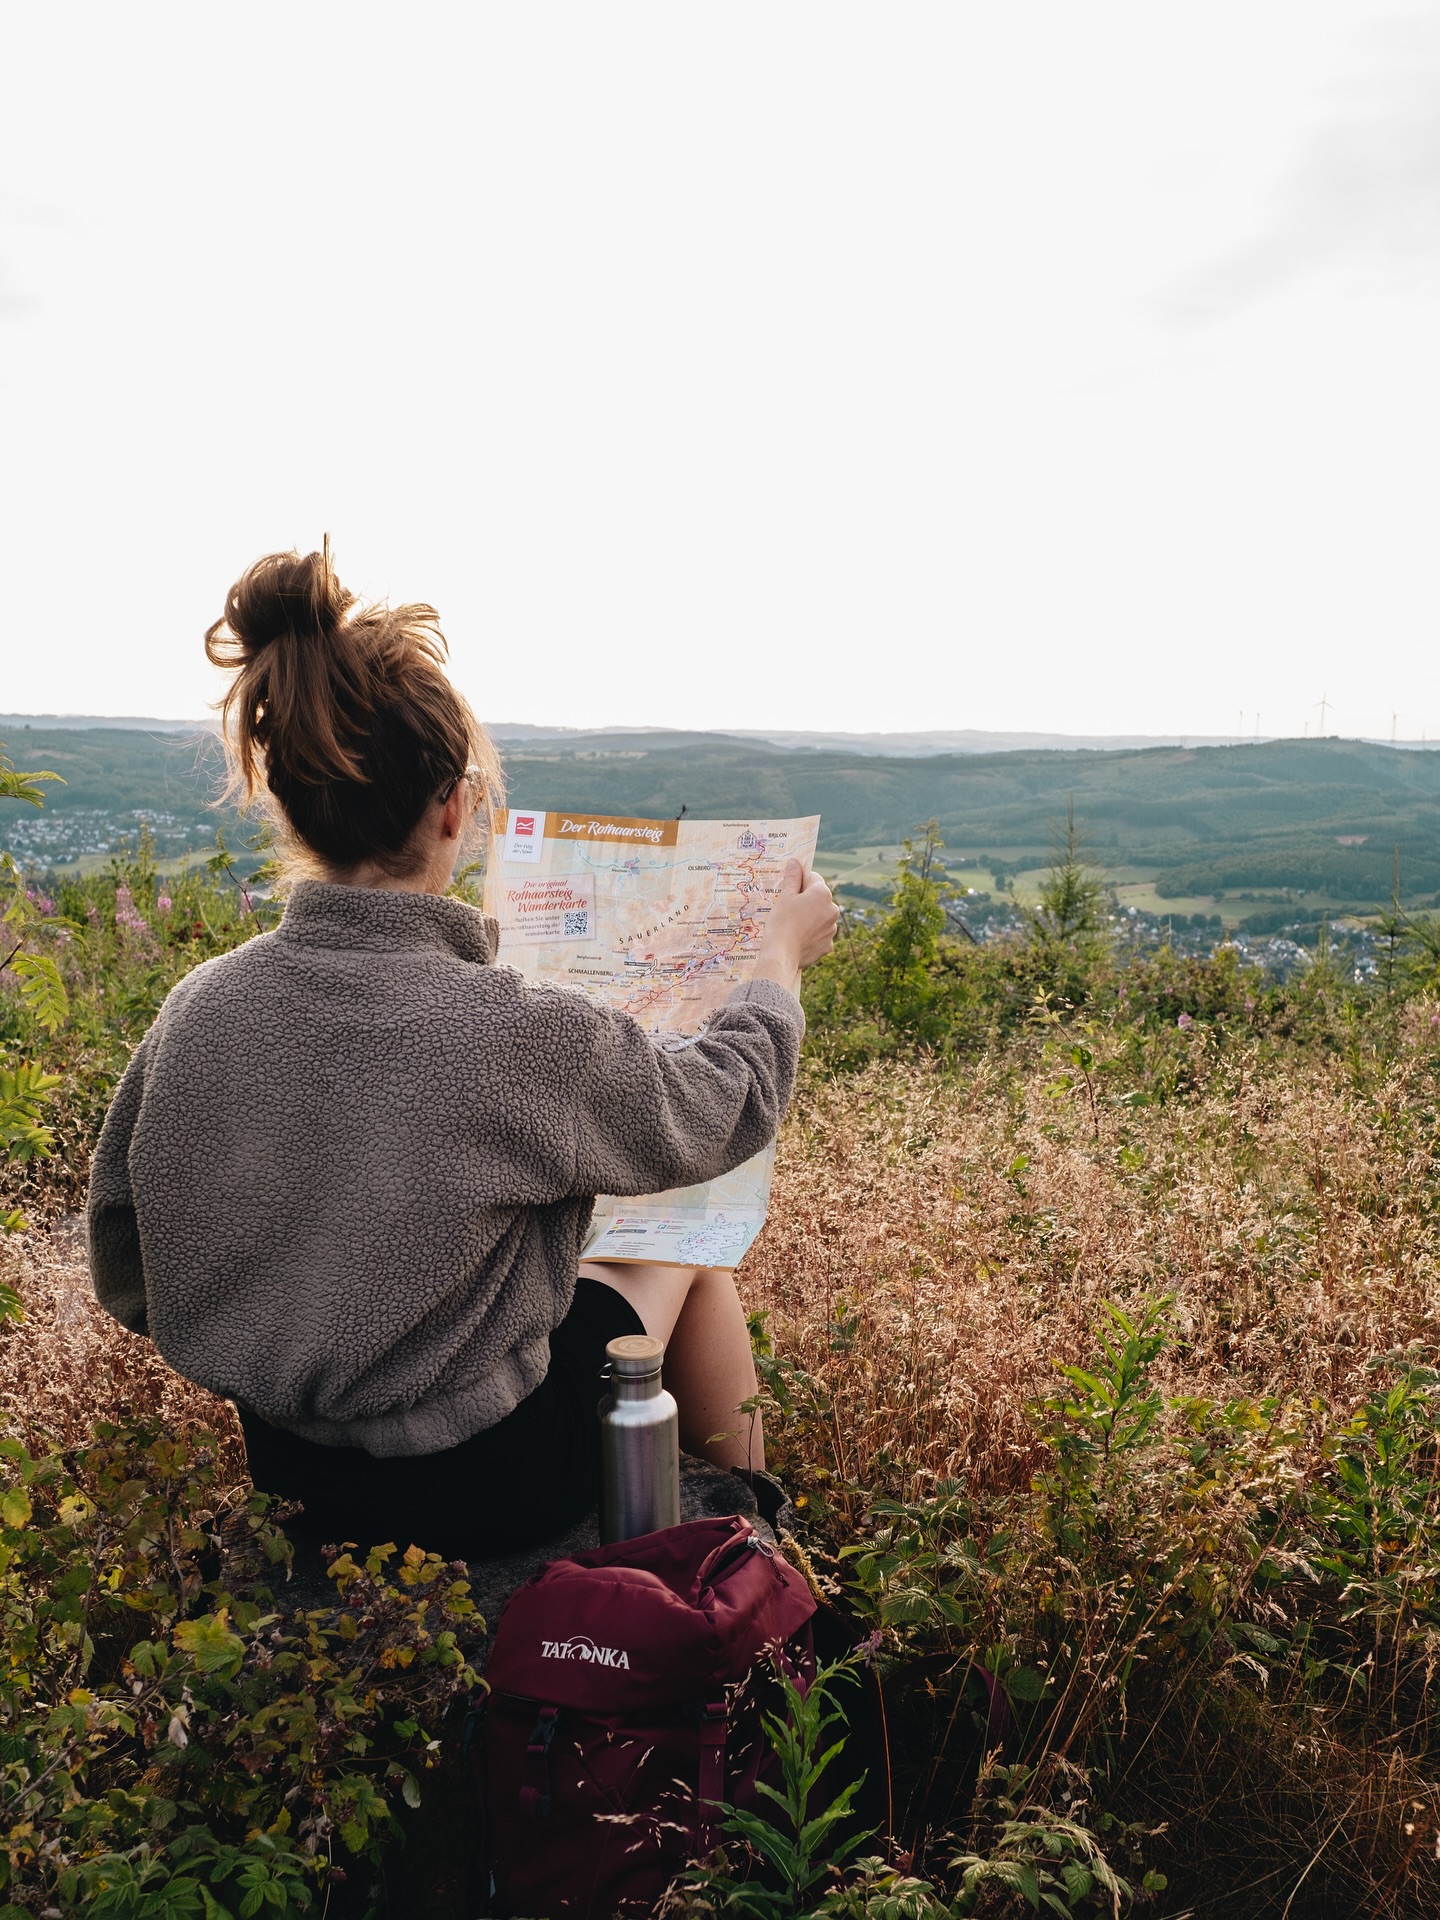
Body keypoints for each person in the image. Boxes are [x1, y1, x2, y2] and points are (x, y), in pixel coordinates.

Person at [87, 543, 838, 1558]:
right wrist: (777, 963)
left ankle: (739, 1531)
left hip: (291, 1466)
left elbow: (125, 1249)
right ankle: (746, 1537)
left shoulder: (199, 1007)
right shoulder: (512, 1028)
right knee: (682, 1258)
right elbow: (726, 1104)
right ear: (452, 807)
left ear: (291, 804)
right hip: (494, 1474)